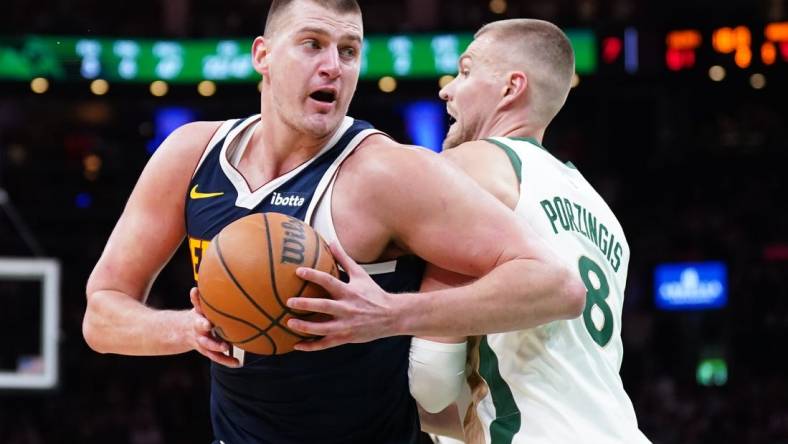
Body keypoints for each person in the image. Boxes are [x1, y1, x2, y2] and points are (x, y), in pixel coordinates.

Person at [82, 1, 585, 442]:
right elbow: (102, 315)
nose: (332, 67)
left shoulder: (386, 172)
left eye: (349, 51)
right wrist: (190, 329)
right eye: (312, 44)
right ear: (263, 55)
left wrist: (390, 315)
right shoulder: (191, 154)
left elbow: (557, 285)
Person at [289, 18, 651, 444]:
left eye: (465, 71)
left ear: (511, 88)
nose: (446, 88)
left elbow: (432, 376)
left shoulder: (473, 165)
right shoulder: (602, 212)